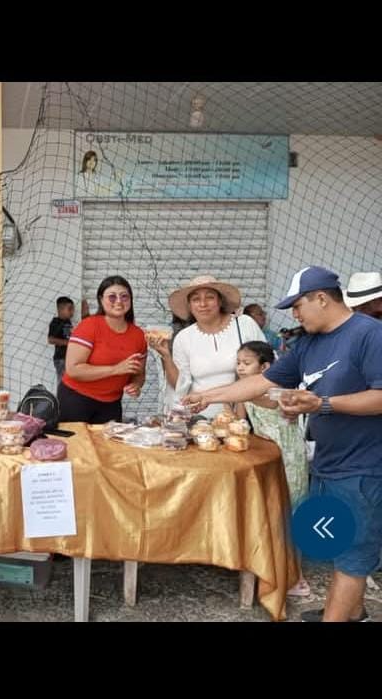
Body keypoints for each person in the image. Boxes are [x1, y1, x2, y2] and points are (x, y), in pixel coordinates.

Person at [184, 266, 382, 623]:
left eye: (297, 305)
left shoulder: (369, 334)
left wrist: (322, 404)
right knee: (337, 546)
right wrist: (207, 396)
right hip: (327, 462)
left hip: (363, 467)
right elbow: (262, 382)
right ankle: (354, 613)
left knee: (352, 559)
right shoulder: (308, 343)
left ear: (321, 298)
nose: (294, 314)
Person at [235, 340, 310, 597]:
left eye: (246, 363)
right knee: (269, 511)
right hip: (264, 457)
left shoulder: (279, 390)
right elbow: (240, 422)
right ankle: (268, 568)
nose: (240, 368)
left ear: (265, 367)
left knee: (292, 511)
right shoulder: (243, 392)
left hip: (290, 457)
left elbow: (278, 406)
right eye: (238, 363)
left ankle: (296, 576)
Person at [148, 274, 265, 419]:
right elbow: (180, 385)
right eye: (196, 299)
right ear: (189, 306)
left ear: (220, 301)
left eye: (210, 297)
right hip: (200, 419)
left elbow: (267, 367)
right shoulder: (184, 338)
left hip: (244, 416)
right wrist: (166, 355)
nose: (203, 304)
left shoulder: (244, 325)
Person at [58, 275, 147, 424]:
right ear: (101, 300)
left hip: (112, 405)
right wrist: (115, 369)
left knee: (109, 440)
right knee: (76, 440)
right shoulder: (89, 326)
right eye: (112, 297)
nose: (118, 301)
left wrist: (136, 385)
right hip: (76, 400)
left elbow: (139, 373)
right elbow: (73, 370)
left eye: (124, 296)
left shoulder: (139, 335)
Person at [48, 296, 75, 383]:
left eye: (73, 309)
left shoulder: (68, 322)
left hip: (69, 358)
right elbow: (51, 339)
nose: (72, 312)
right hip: (61, 358)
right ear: (61, 309)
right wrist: (68, 342)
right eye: (70, 309)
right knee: (63, 382)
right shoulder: (56, 322)